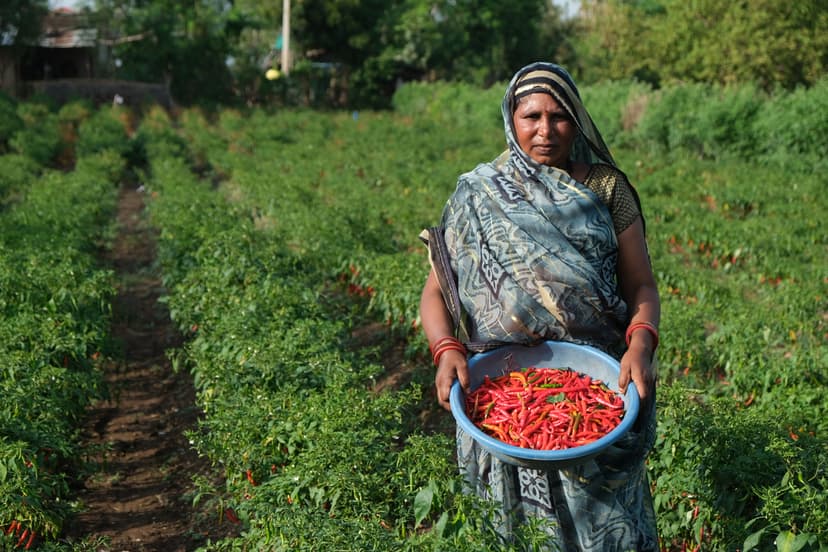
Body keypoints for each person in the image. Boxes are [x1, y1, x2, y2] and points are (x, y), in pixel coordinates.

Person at [419, 62, 660, 551]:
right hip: (500, 388)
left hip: (595, 385)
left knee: (608, 530)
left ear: (577, 121)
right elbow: (434, 294)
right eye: (531, 116)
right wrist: (446, 350)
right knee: (515, 533)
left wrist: (641, 346)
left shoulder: (607, 190)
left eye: (559, 117)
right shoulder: (478, 192)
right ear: (511, 118)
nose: (545, 131)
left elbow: (642, 286)